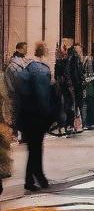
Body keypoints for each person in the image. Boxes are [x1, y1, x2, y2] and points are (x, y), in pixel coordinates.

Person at [16, 43, 57, 191]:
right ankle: (38, 178)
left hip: (26, 114)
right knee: (36, 148)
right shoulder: (42, 69)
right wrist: (48, 114)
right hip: (36, 116)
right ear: (45, 52)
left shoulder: (28, 66)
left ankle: (32, 179)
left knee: (34, 148)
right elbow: (42, 95)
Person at [5, 42, 29, 140]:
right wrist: (12, 91)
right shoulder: (12, 63)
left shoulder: (25, 61)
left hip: (24, 91)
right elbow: (8, 78)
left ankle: (24, 135)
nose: (26, 50)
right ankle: (14, 133)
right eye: (24, 48)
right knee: (16, 113)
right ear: (18, 49)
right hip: (16, 92)